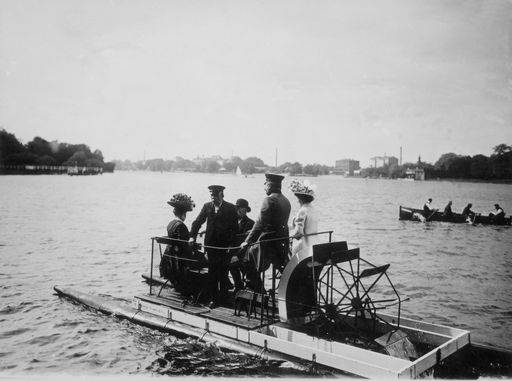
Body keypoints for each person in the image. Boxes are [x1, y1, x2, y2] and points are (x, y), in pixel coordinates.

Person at [189, 185, 238, 308]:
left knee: (224, 272)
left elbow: (235, 230)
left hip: (225, 247)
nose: (213, 198)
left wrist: (232, 247)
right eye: (211, 195)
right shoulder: (207, 206)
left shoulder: (231, 208)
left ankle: (224, 298)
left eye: (215, 195)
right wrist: (192, 236)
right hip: (211, 246)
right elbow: (197, 222)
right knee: (213, 272)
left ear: (221, 194)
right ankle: (214, 299)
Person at [240, 173, 291, 292]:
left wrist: (246, 241)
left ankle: (257, 290)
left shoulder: (269, 200)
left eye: (265, 183)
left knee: (245, 258)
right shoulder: (286, 201)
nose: (264, 186)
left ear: (270, 184)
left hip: (268, 244)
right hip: (281, 242)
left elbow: (260, 224)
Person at [160, 193, 195, 294]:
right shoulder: (181, 226)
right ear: (183, 214)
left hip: (169, 256)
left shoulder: (170, 224)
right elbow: (183, 245)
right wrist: (191, 244)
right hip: (179, 259)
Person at [229, 199, 255, 291]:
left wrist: (237, 255)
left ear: (246, 210)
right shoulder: (231, 222)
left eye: (243, 209)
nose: (240, 211)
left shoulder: (251, 224)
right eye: (238, 208)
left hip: (244, 253)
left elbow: (249, 243)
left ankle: (242, 286)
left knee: (233, 264)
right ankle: (236, 285)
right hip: (233, 251)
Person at [289, 179, 319, 255]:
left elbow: (298, 233)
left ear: (301, 199)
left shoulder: (302, 211)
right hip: (314, 244)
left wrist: (289, 235)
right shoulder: (314, 210)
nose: (297, 201)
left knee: (289, 250)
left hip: (304, 246)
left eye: (298, 199)